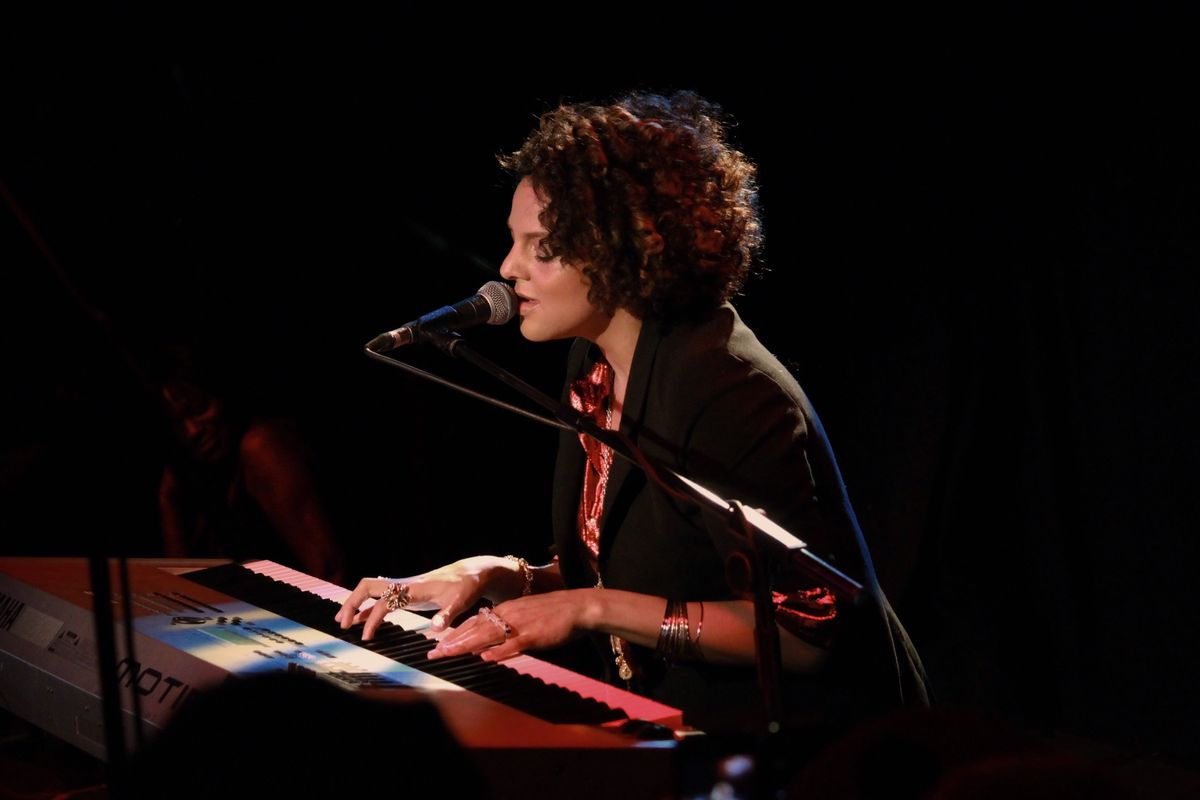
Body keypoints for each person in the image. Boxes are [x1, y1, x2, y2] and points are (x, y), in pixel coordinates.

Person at [336, 91, 927, 736]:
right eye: (514, 242)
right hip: (679, 724)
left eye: (541, 247)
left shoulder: (728, 391)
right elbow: (643, 570)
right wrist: (502, 575)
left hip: (820, 747)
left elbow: (808, 632)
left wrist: (589, 609)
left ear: (624, 249)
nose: (507, 269)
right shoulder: (595, 364)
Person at [154, 343, 347, 584]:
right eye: (177, 422)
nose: (192, 431)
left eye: (200, 409)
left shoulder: (262, 447)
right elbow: (180, 587)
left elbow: (330, 570)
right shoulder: (203, 473)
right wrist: (168, 499)